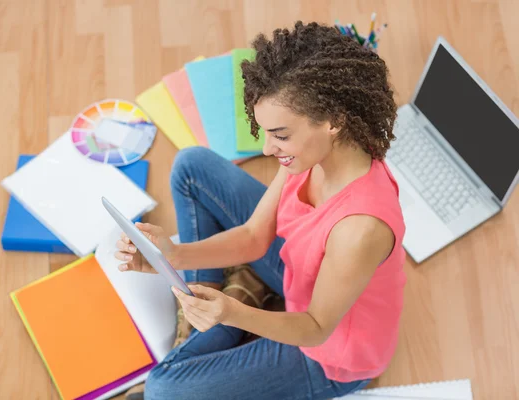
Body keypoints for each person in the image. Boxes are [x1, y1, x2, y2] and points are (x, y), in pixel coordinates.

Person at [118, 21, 406, 400]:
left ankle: (219, 315)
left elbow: (317, 327)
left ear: (334, 120)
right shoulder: (313, 157)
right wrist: (172, 255)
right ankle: (216, 304)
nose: (268, 150)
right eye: (265, 131)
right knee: (191, 166)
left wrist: (231, 313)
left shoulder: (360, 230)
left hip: (327, 352)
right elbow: (255, 237)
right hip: (298, 275)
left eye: (281, 135)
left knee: (160, 390)